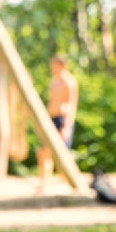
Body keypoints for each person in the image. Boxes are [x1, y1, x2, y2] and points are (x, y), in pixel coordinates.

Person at [38, 52, 79, 191]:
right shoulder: (54, 81)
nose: (51, 67)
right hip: (51, 119)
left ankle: (66, 182)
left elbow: (72, 104)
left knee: (62, 152)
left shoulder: (69, 82)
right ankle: (44, 182)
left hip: (63, 118)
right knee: (44, 151)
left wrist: (67, 125)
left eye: (53, 64)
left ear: (61, 64)